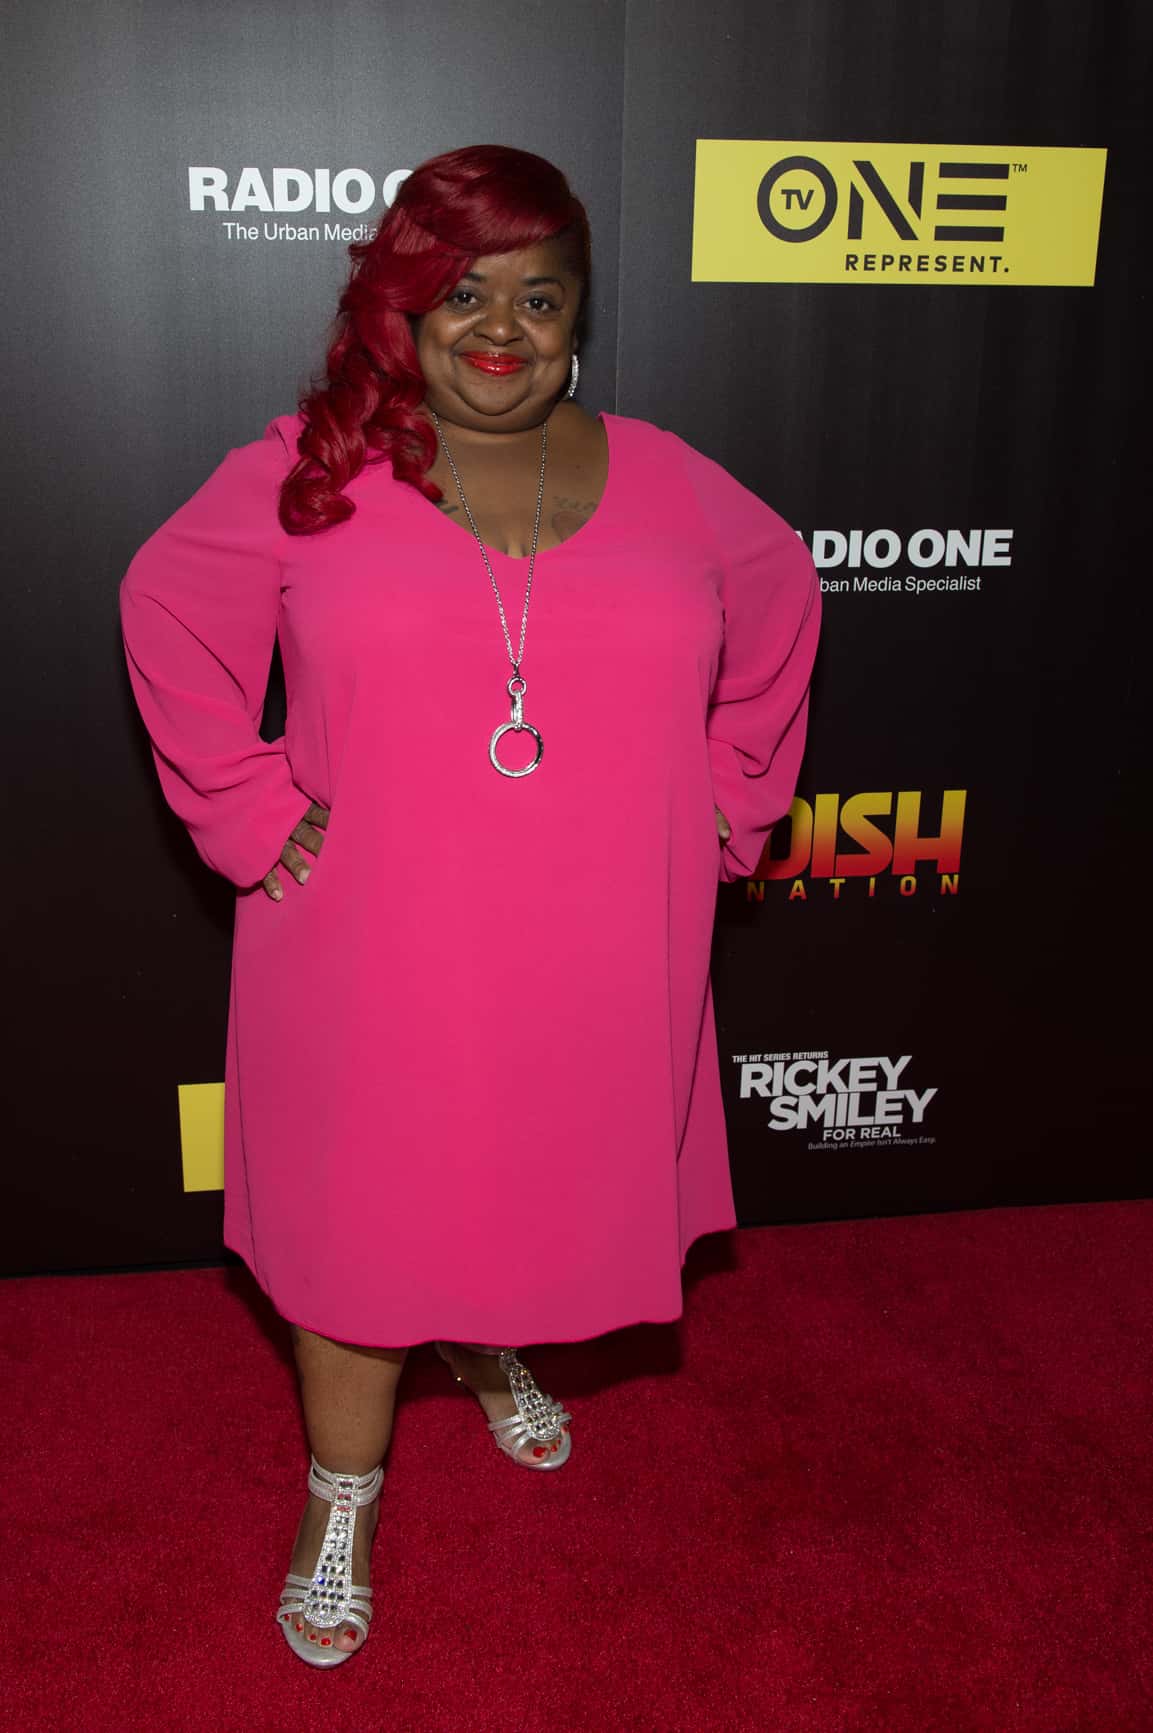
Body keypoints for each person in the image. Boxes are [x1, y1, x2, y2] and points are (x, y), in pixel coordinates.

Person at [119, 143, 820, 1668]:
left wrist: (736, 791)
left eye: (539, 297)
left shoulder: (671, 478)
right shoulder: (307, 473)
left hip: (594, 942)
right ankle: (341, 1494)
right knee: (359, 1228)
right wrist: (242, 807)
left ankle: (484, 1334)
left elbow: (781, 602)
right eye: (463, 295)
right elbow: (163, 606)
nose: (502, 330)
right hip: (371, 940)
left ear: (579, 317)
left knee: (512, 1176)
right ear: (404, 309)